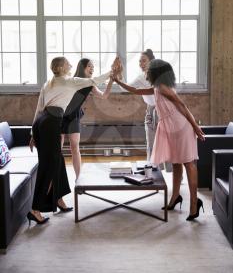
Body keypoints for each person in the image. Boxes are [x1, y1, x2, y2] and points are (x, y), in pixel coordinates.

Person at [28, 56, 120, 225]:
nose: (70, 64)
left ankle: (58, 199)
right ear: (62, 68)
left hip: (43, 123)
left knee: (58, 162)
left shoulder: (48, 83)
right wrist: (112, 72)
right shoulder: (69, 81)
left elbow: (39, 109)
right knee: (48, 167)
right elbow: (95, 80)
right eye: (67, 63)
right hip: (51, 123)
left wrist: (33, 134)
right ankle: (35, 209)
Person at [113, 59, 205, 221]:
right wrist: (117, 80)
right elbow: (135, 90)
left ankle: (194, 202)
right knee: (176, 162)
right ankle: (175, 197)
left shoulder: (162, 87)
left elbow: (182, 106)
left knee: (188, 163)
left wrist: (196, 128)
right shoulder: (157, 87)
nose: (146, 72)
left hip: (180, 126)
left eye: (149, 70)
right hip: (170, 126)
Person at [61, 58, 113, 181]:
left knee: (75, 147)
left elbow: (104, 96)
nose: (92, 68)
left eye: (93, 66)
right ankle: (58, 179)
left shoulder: (90, 84)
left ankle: (78, 179)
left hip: (74, 116)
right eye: (89, 66)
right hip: (60, 115)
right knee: (58, 149)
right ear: (82, 67)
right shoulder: (72, 81)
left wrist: (111, 80)